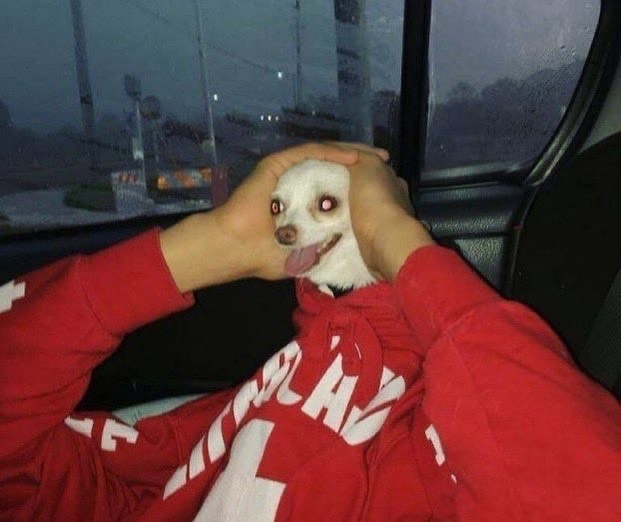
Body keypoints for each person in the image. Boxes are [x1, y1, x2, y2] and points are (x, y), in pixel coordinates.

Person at [0, 142, 620, 521]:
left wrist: (394, 244)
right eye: (280, 209)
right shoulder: (289, 375)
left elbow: (574, 483)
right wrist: (216, 242)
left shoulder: (429, 410)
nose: (287, 227)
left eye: (325, 204)